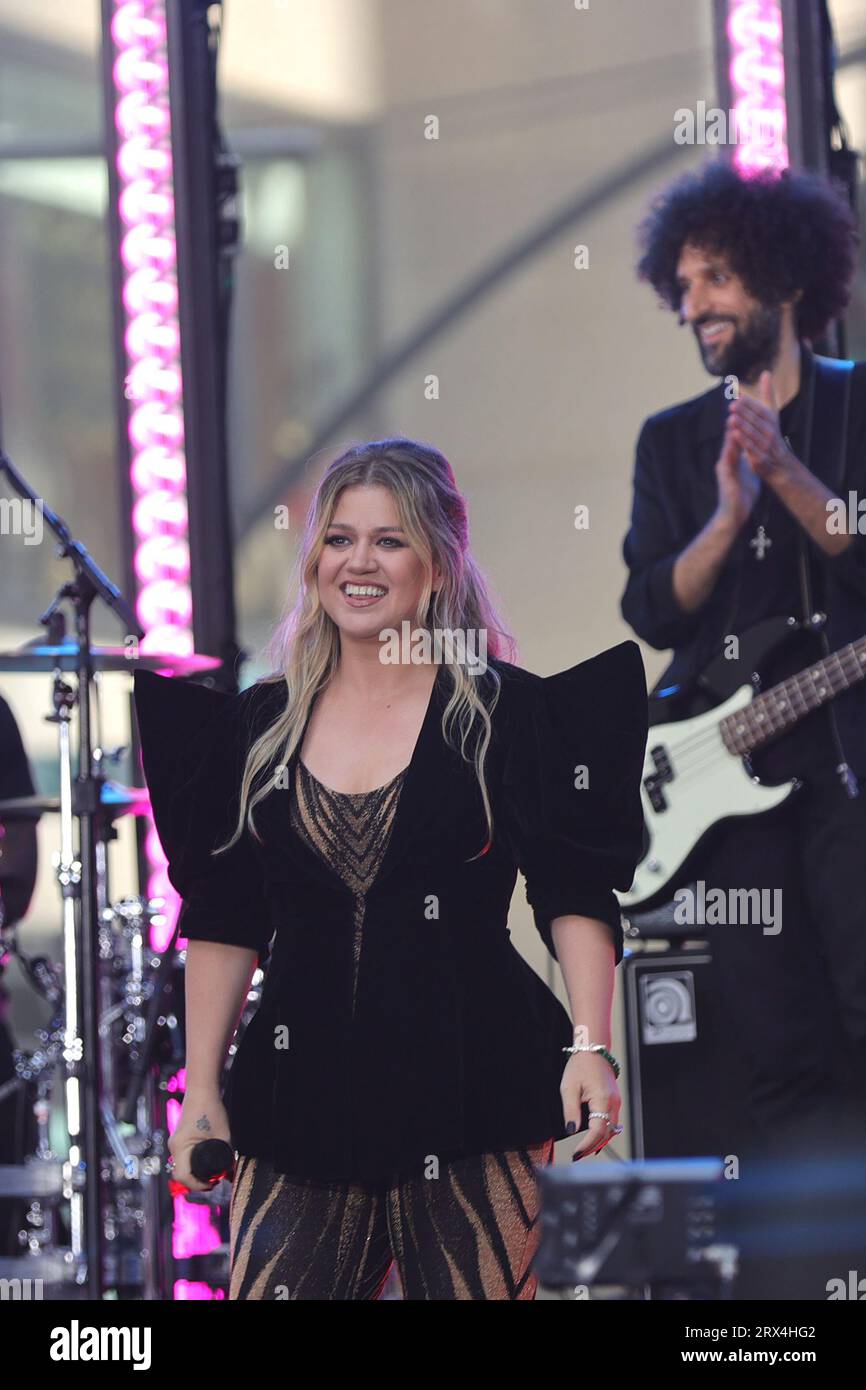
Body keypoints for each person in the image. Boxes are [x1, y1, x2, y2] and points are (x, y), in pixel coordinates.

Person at [135, 437, 647, 1301]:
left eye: (389, 540)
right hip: (298, 1101)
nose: (358, 563)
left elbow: (572, 886)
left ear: (439, 565)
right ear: (315, 563)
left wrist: (590, 1047)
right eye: (339, 539)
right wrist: (203, 1090)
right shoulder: (259, 729)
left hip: (474, 1090)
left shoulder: (505, 711)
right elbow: (224, 916)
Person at [621, 164, 866, 1278]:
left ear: (777, 277)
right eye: (682, 285)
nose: (694, 305)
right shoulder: (670, 441)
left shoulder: (855, 402)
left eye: (714, 278)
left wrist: (791, 476)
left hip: (845, 771)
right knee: (777, 1052)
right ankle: (803, 1283)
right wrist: (725, 513)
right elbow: (644, 604)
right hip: (726, 797)